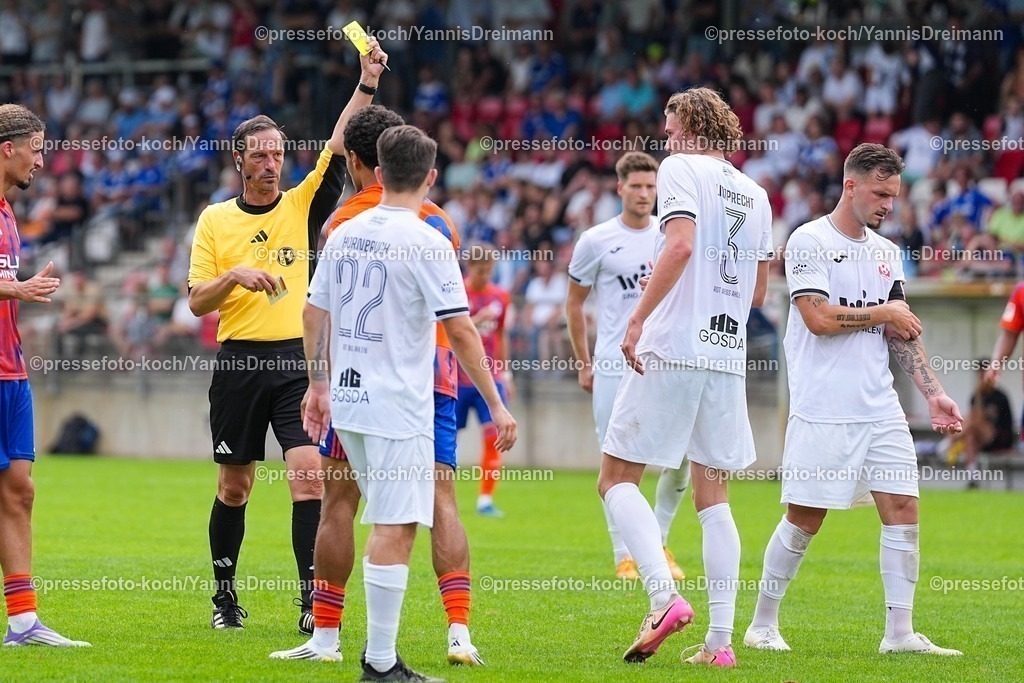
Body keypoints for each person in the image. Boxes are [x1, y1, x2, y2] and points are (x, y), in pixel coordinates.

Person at [296, 125, 516, 680]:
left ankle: (342, 642)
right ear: (430, 177)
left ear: (374, 168)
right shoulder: (429, 238)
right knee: (397, 524)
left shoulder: (344, 231)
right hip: (399, 405)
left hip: (348, 400)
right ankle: (381, 662)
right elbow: (462, 332)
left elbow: (312, 312)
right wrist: (496, 404)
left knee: (358, 510)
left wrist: (317, 384)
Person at [187, 37, 383, 633]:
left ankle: (310, 604)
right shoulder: (214, 219)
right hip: (239, 364)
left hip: (297, 365)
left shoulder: (302, 203)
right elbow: (196, 301)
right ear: (240, 161)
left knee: (307, 476)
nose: (272, 162)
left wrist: (367, 81)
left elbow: (341, 141)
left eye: (278, 153)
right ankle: (225, 600)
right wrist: (234, 277)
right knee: (235, 485)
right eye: (261, 154)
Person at [745, 143, 964, 656]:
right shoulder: (808, 240)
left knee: (904, 507)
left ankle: (900, 634)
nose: (889, 205)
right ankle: (761, 624)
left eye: (894, 195)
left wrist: (935, 394)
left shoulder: (887, 253)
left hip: (880, 407)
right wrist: (884, 313)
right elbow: (818, 320)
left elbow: (902, 329)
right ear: (851, 185)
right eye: (881, 193)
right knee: (806, 517)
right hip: (823, 406)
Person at [597, 87, 773, 668]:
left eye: (671, 127)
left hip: (672, 346)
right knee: (714, 496)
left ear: (693, 125)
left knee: (616, 478)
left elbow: (678, 244)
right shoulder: (756, 191)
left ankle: (662, 597)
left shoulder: (679, 169)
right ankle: (721, 645)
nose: (666, 138)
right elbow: (760, 291)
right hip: (726, 352)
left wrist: (638, 320)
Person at [565, 151, 688, 581]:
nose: (644, 194)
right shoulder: (596, 240)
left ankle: (660, 541)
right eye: (636, 186)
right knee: (614, 461)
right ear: (619, 188)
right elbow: (575, 304)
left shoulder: (670, 236)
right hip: (613, 365)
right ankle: (624, 555)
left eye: (651, 187)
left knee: (683, 456)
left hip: (663, 359)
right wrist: (584, 362)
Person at [0, 103, 88, 647]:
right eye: (35, 149)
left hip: (12, 373)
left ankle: (23, 622)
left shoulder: (8, 213)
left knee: (19, 490)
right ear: (7, 148)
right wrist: (17, 288)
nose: (41, 161)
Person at [456, 244, 513, 517]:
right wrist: (476, 321)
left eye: (490, 270)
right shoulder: (456, 292)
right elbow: (450, 331)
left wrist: (505, 373)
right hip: (456, 377)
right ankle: (437, 496)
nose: (486, 276)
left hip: (490, 379)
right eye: (481, 271)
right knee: (445, 440)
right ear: (469, 268)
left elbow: (501, 336)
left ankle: (485, 500)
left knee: (493, 437)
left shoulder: (500, 297)